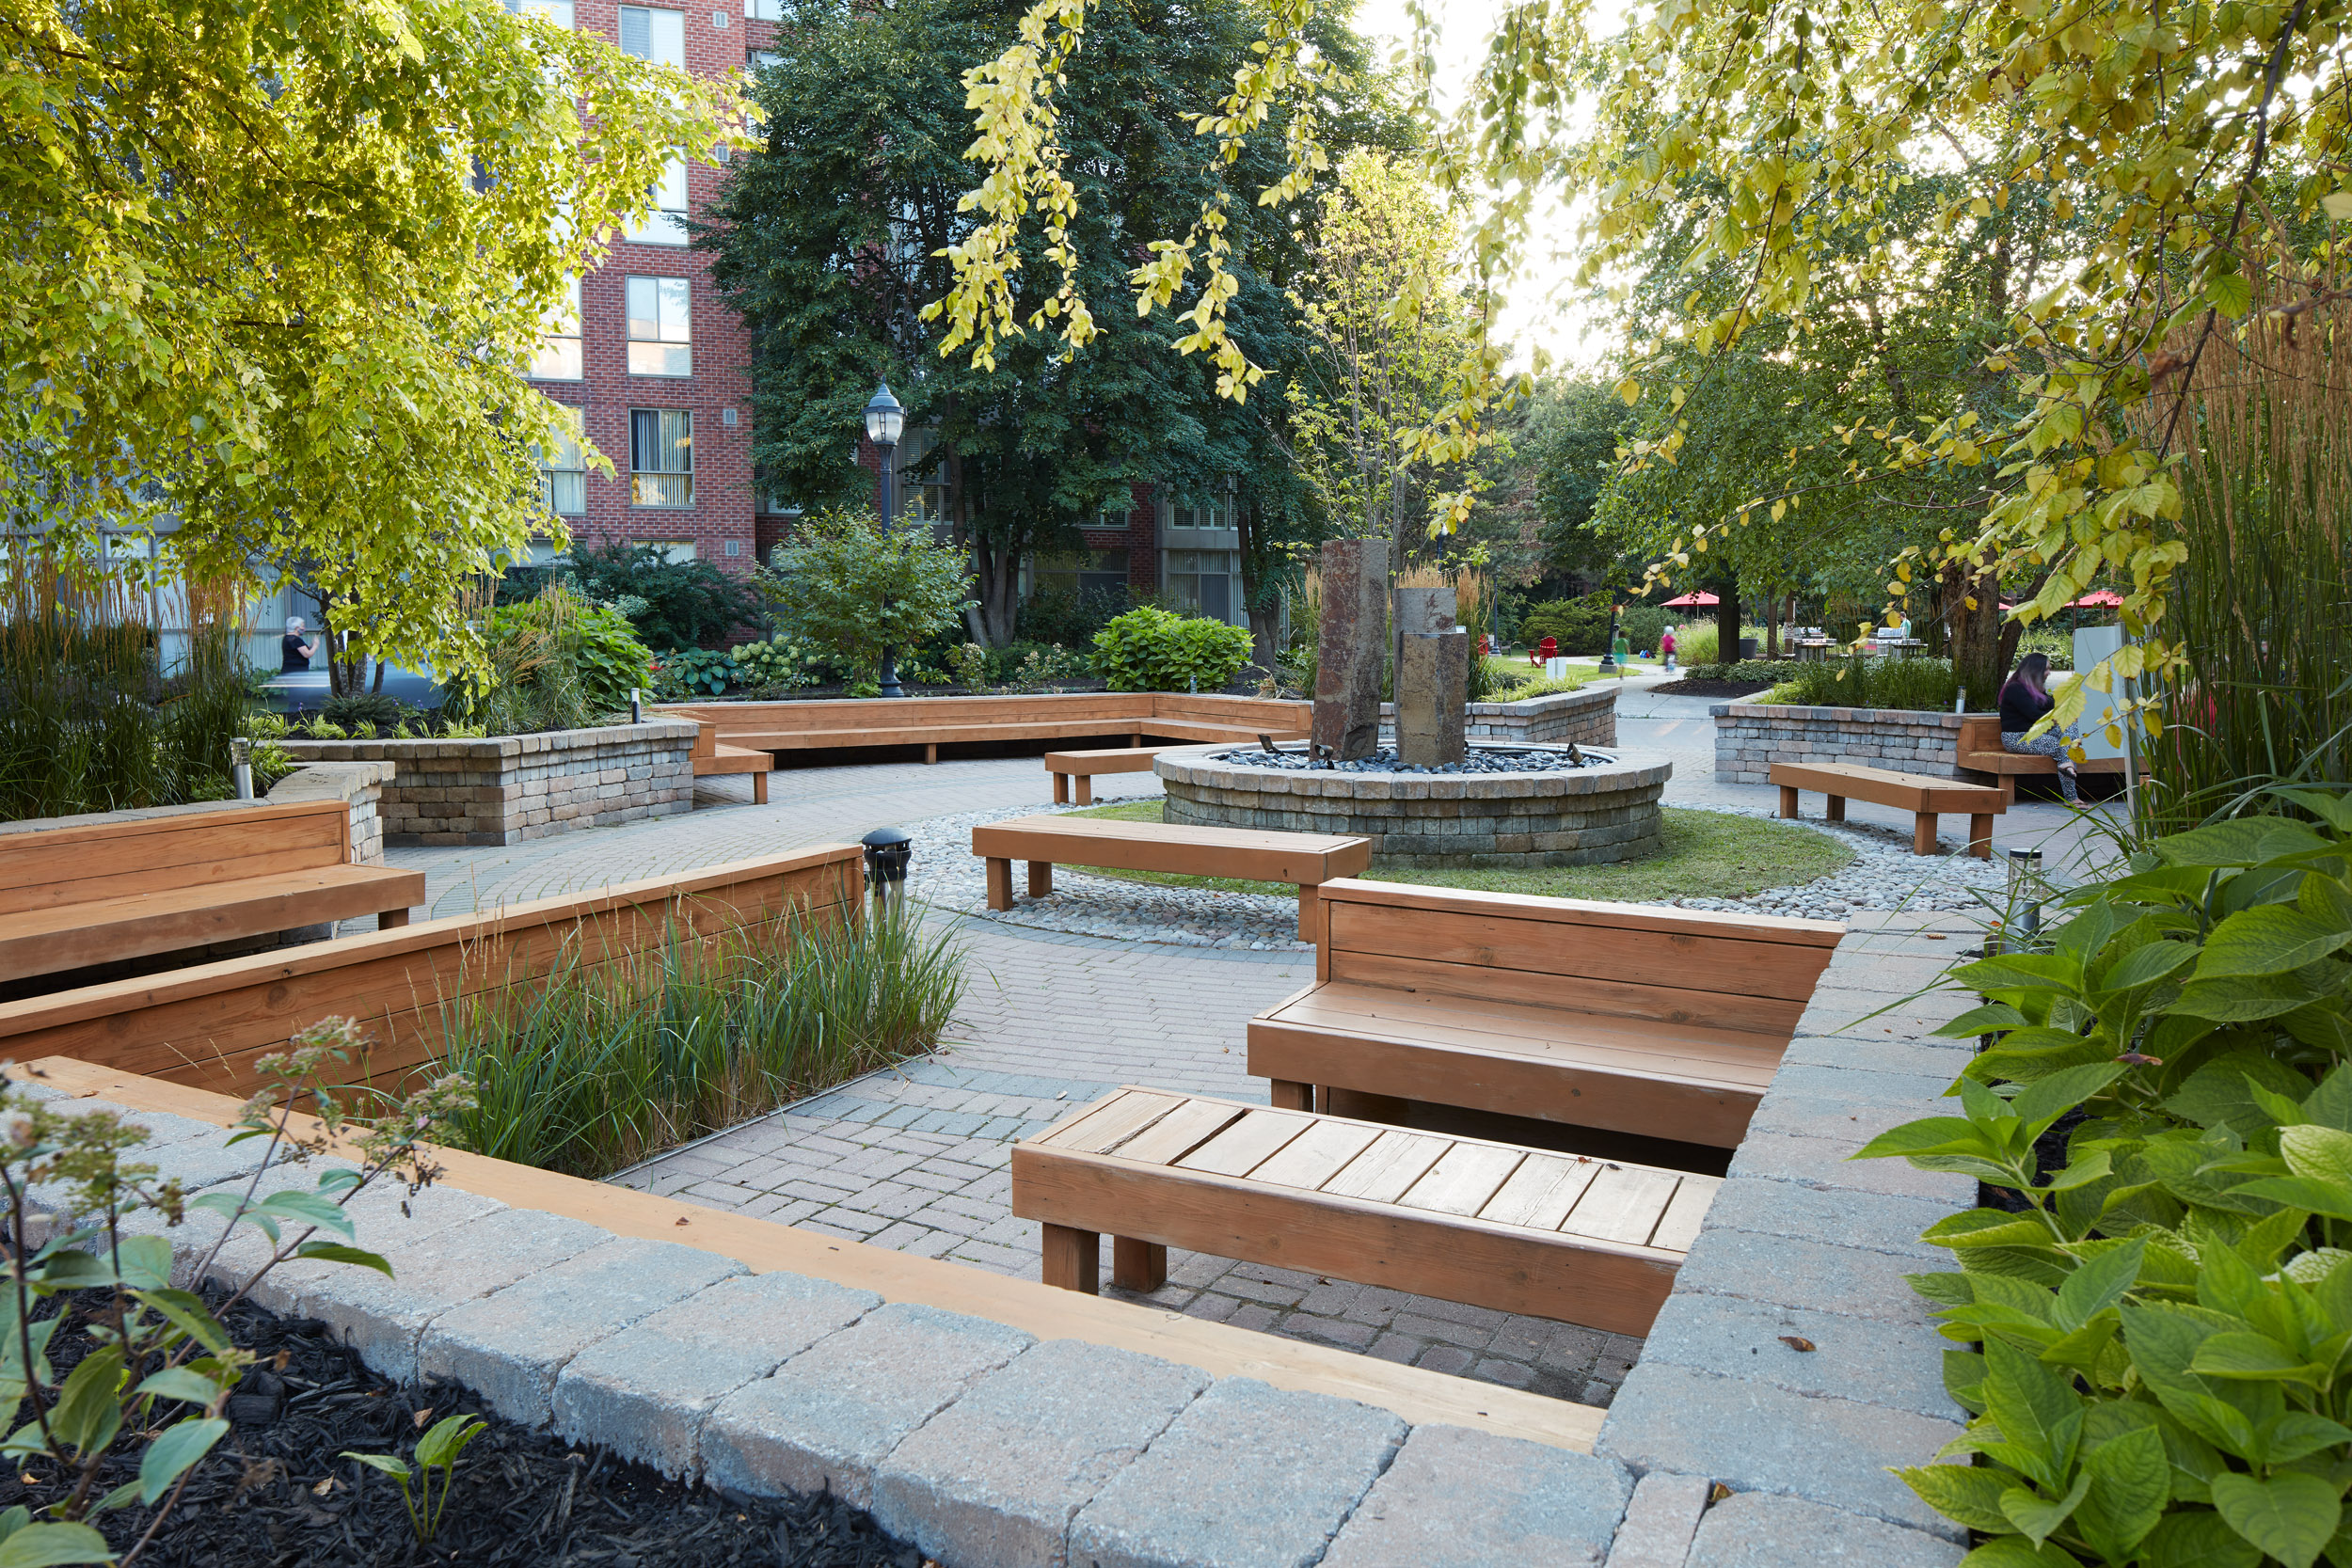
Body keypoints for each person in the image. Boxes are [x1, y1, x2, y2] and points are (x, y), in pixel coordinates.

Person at [1997, 652, 2080, 804]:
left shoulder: (2036, 690)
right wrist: (2057, 717)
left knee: (2071, 725)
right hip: (2017, 737)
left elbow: (2053, 705)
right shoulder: (2015, 689)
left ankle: (2067, 765)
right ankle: (2072, 797)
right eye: (2046, 669)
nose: (2049, 673)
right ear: (2036, 669)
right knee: (2059, 746)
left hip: (2037, 733)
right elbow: (2035, 716)